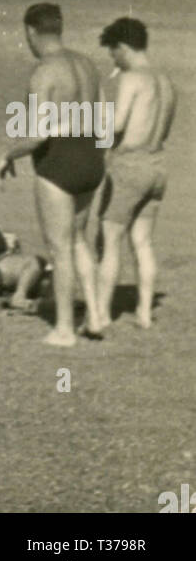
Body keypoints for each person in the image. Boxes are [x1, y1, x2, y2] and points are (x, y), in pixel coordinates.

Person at [0, 3, 106, 346]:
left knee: (60, 250)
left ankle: (63, 329)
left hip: (58, 162)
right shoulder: (87, 65)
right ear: (59, 29)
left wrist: (8, 153)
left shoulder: (44, 72)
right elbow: (101, 119)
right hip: (91, 156)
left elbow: (38, 135)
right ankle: (97, 315)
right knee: (78, 240)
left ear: (30, 31)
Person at [95, 17, 176, 330]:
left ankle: (101, 313)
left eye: (113, 52)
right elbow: (162, 129)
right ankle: (144, 312)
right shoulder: (166, 82)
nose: (113, 59)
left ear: (124, 47)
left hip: (130, 166)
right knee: (142, 242)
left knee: (110, 238)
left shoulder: (132, 78)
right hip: (157, 165)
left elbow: (116, 127)